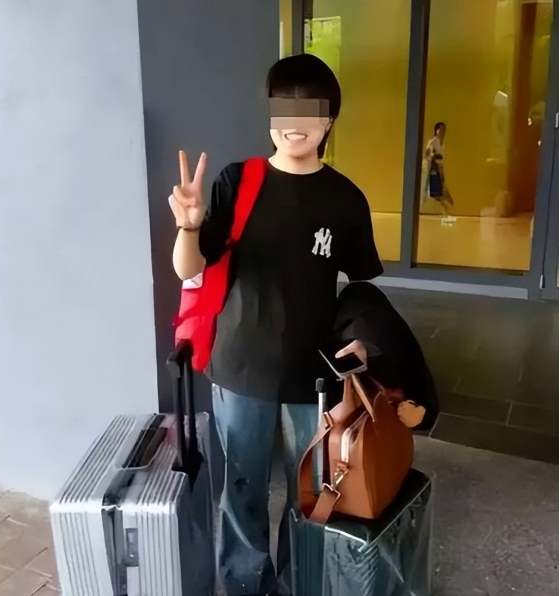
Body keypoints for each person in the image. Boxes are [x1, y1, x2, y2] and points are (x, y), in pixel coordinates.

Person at [168, 54, 424, 596]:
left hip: (314, 377)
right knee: (241, 490)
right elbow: (189, 269)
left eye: (310, 109)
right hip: (240, 369)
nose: (296, 122)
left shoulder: (345, 198)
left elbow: (360, 288)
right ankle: (244, 585)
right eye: (285, 107)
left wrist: (364, 338)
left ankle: (300, 581)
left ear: (329, 120)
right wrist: (189, 228)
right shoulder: (239, 181)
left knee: (311, 496)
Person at [420, 122, 456, 223]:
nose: (442, 132)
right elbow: (428, 153)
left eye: (444, 129)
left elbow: (440, 159)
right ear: (436, 131)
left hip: (437, 168)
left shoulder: (442, 144)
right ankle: (446, 210)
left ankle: (446, 210)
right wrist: (433, 155)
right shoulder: (433, 142)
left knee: (439, 190)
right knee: (435, 192)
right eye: (440, 129)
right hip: (430, 168)